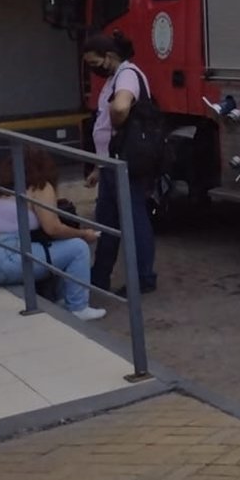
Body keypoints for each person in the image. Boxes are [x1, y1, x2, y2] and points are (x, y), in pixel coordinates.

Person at [0, 145, 106, 321]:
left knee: (60, 249)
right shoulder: (39, 187)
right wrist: (83, 234)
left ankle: (63, 301)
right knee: (77, 248)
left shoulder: (0, 190)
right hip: (6, 259)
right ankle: (78, 307)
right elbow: (53, 228)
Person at [83, 30, 158, 296]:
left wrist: (115, 128)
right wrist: (97, 166)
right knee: (107, 222)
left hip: (125, 164)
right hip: (110, 165)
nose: (94, 70)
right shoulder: (115, 76)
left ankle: (142, 278)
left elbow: (120, 108)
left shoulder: (127, 74)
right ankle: (100, 276)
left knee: (133, 220)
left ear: (110, 56)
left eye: (95, 64)